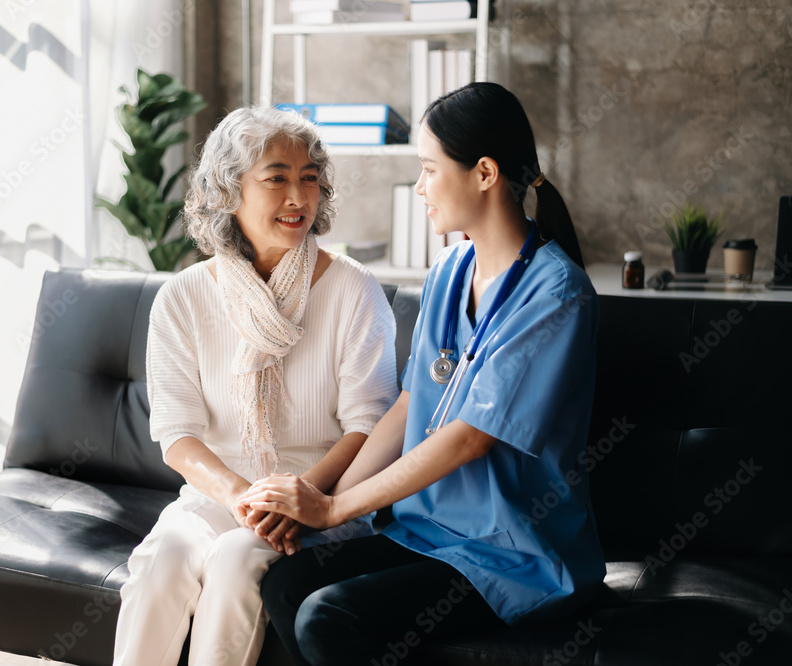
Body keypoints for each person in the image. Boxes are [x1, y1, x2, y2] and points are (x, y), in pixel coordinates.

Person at [240, 82, 607, 665]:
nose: (419, 188)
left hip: (512, 553)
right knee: (286, 583)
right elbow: (412, 402)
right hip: (428, 531)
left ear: (483, 173)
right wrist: (321, 496)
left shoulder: (556, 294)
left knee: (328, 614)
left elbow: (468, 436)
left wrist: (337, 511)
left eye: (429, 170)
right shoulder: (449, 270)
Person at [112, 106, 399, 666]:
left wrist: (302, 497)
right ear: (229, 191)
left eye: (310, 179)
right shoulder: (183, 297)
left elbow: (370, 425)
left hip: (325, 499)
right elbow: (176, 434)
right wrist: (242, 496)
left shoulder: (354, 290)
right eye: (277, 178)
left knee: (236, 561)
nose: (298, 197)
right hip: (221, 495)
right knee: (163, 559)